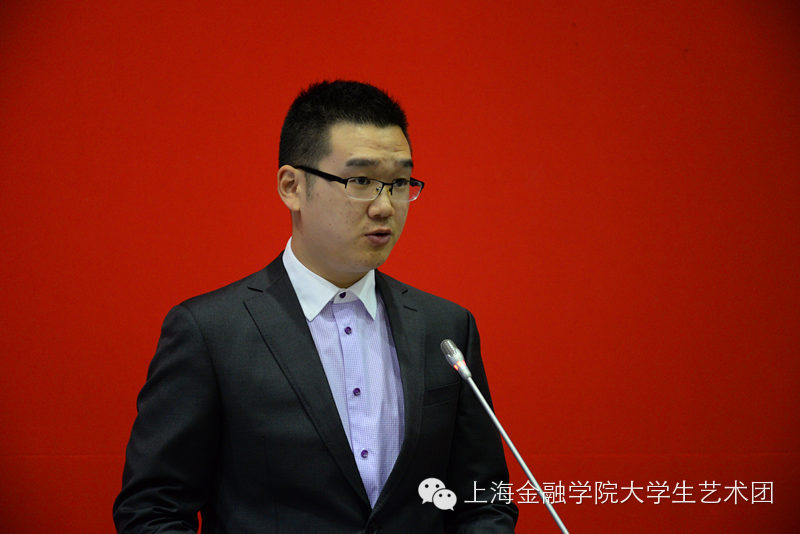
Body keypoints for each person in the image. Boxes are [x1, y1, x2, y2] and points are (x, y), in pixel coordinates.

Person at [113, 80, 518, 533]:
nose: (385, 206)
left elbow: (486, 499)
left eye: (400, 183)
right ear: (292, 187)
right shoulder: (211, 333)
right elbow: (153, 511)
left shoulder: (447, 327)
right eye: (361, 181)